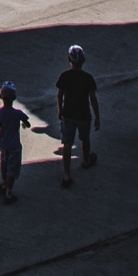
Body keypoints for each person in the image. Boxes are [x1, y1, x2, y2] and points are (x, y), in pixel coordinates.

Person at [55, 44, 101, 187]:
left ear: (69, 59)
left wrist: (60, 109)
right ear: (83, 60)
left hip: (68, 114)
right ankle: (86, 160)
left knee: (67, 143)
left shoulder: (65, 76)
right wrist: (97, 116)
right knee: (85, 138)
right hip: (83, 114)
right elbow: (93, 98)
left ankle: (67, 175)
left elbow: (59, 94)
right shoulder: (88, 78)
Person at [0, 83, 30, 203]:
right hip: (15, 146)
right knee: (12, 170)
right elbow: (27, 123)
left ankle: (4, 184)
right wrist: (24, 124)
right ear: (14, 98)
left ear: (0, 96)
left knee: (4, 167)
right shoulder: (18, 113)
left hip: (4, 145)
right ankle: (9, 194)